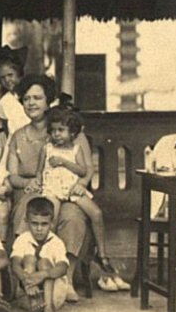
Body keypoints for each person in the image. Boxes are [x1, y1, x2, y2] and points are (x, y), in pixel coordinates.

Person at [8, 75, 91, 303]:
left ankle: (66, 279)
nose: (31, 103)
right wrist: (27, 183)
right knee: (28, 209)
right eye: (26, 99)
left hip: (68, 191)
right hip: (35, 190)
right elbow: (12, 176)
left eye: (37, 98)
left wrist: (81, 185)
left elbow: (87, 169)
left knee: (72, 216)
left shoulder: (68, 129)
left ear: (48, 101)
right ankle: (26, 276)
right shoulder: (18, 136)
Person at [38, 106, 129, 291]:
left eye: (61, 130)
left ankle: (102, 255)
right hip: (52, 188)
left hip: (72, 188)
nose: (56, 134)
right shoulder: (47, 148)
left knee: (96, 213)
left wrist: (64, 162)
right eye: (53, 130)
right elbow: (40, 171)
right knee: (51, 218)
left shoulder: (76, 149)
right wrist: (37, 184)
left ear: (72, 132)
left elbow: (83, 170)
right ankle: (48, 256)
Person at [11, 197, 70, 312]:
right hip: (27, 294)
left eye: (44, 224)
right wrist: (27, 281)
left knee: (44, 262)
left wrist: (43, 275)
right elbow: (15, 264)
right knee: (29, 259)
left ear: (52, 223)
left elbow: (63, 267)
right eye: (34, 224)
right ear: (26, 221)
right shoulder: (22, 239)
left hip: (54, 296)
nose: (39, 229)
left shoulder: (56, 242)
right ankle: (35, 304)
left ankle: (48, 311)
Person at [0, 47, 30, 138]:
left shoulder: (32, 95)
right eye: (2, 77)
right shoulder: (4, 102)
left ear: (19, 73)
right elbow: (7, 131)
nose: (7, 80)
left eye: (10, 75)